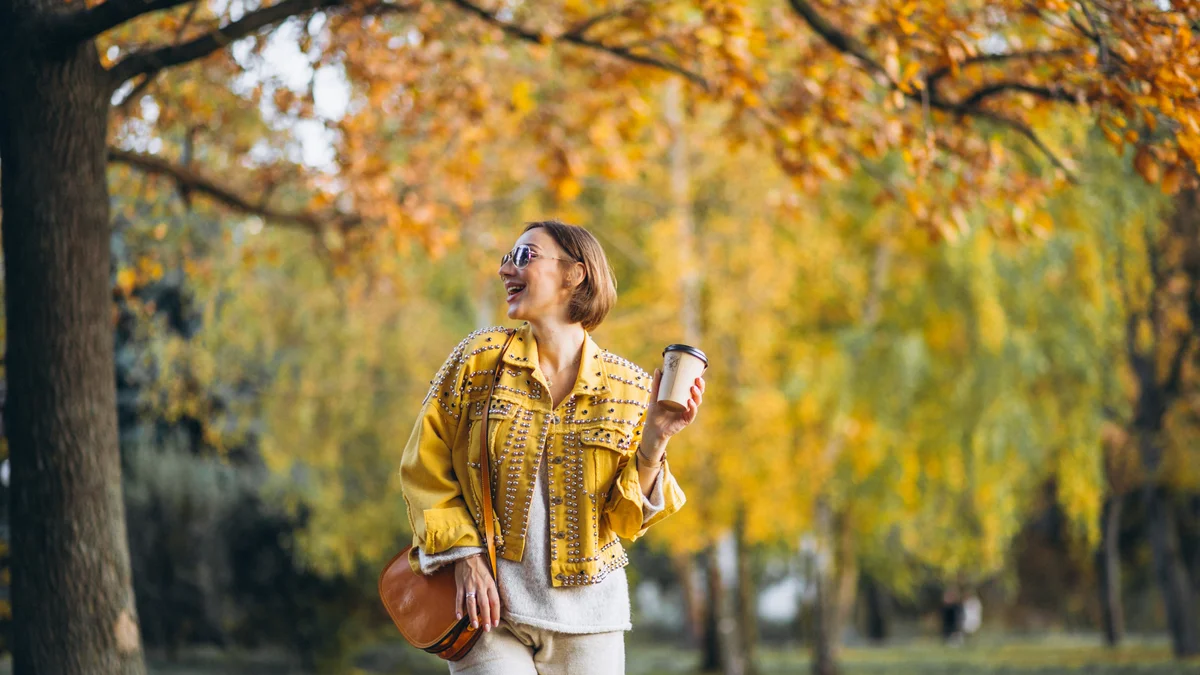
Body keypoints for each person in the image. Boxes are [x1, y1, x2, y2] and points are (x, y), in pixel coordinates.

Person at [399, 220, 704, 674]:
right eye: (507, 257)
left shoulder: (631, 389)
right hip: (487, 613)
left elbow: (623, 520)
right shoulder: (477, 360)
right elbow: (424, 466)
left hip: (590, 622)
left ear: (574, 274)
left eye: (524, 256)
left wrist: (657, 438)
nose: (505, 269)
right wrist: (463, 556)